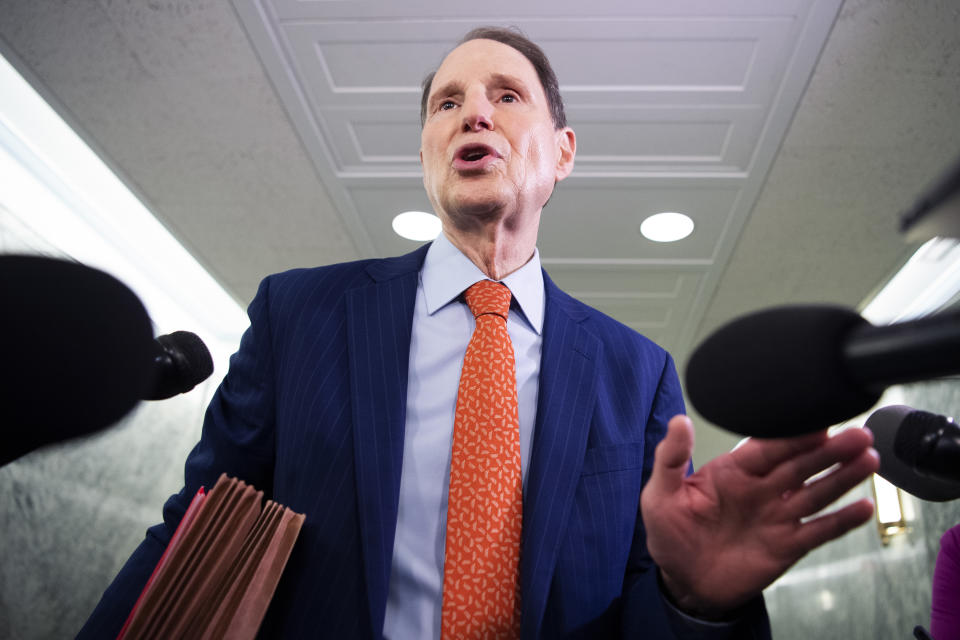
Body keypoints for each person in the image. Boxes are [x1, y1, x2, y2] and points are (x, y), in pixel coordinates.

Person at [79, 26, 879, 639]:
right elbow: (197, 526)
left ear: (563, 154)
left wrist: (693, 597)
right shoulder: (299, 317)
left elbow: (645, 596)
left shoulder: (635, 373)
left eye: (507, 95)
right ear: (428, 151)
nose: (475, 113)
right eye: (448, 102)